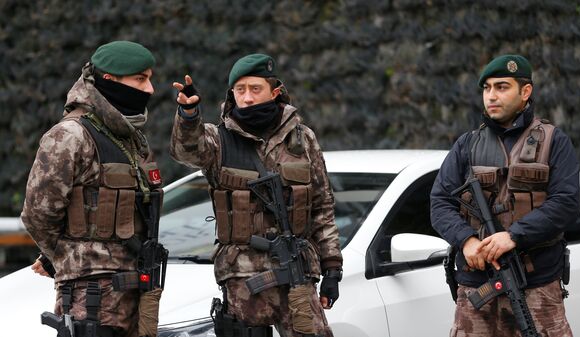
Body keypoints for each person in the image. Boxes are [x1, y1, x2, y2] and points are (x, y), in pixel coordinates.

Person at [170, 53, 343, 337]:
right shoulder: (218, 139)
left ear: (275, 92)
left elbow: (322, 206)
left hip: (296, 272)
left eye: (255, 89)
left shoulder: (302, 139)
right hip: (242, 276)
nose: (247, 98)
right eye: (240, 90)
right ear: (232, 94)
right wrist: (189, 116)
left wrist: (332, 267)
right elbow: (186, 151)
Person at [22, 40, 167, 337]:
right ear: (110, 81)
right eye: (140, 79)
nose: (150, 89)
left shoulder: (130, 139)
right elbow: (38, 215)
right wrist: (69, 259)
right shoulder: (71, 135)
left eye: (149, 79)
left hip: (133, 291)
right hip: (90, 298)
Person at [430, 54, 579, 336]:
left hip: (538, 286)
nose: (491, 96)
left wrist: (513, 236)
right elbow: (440, 203)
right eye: (487, 88)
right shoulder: (467, 145)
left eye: (501, 87)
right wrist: (467, 241)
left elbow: (566, 203)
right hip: (476, 287)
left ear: (525, 92)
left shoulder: (553, 141)